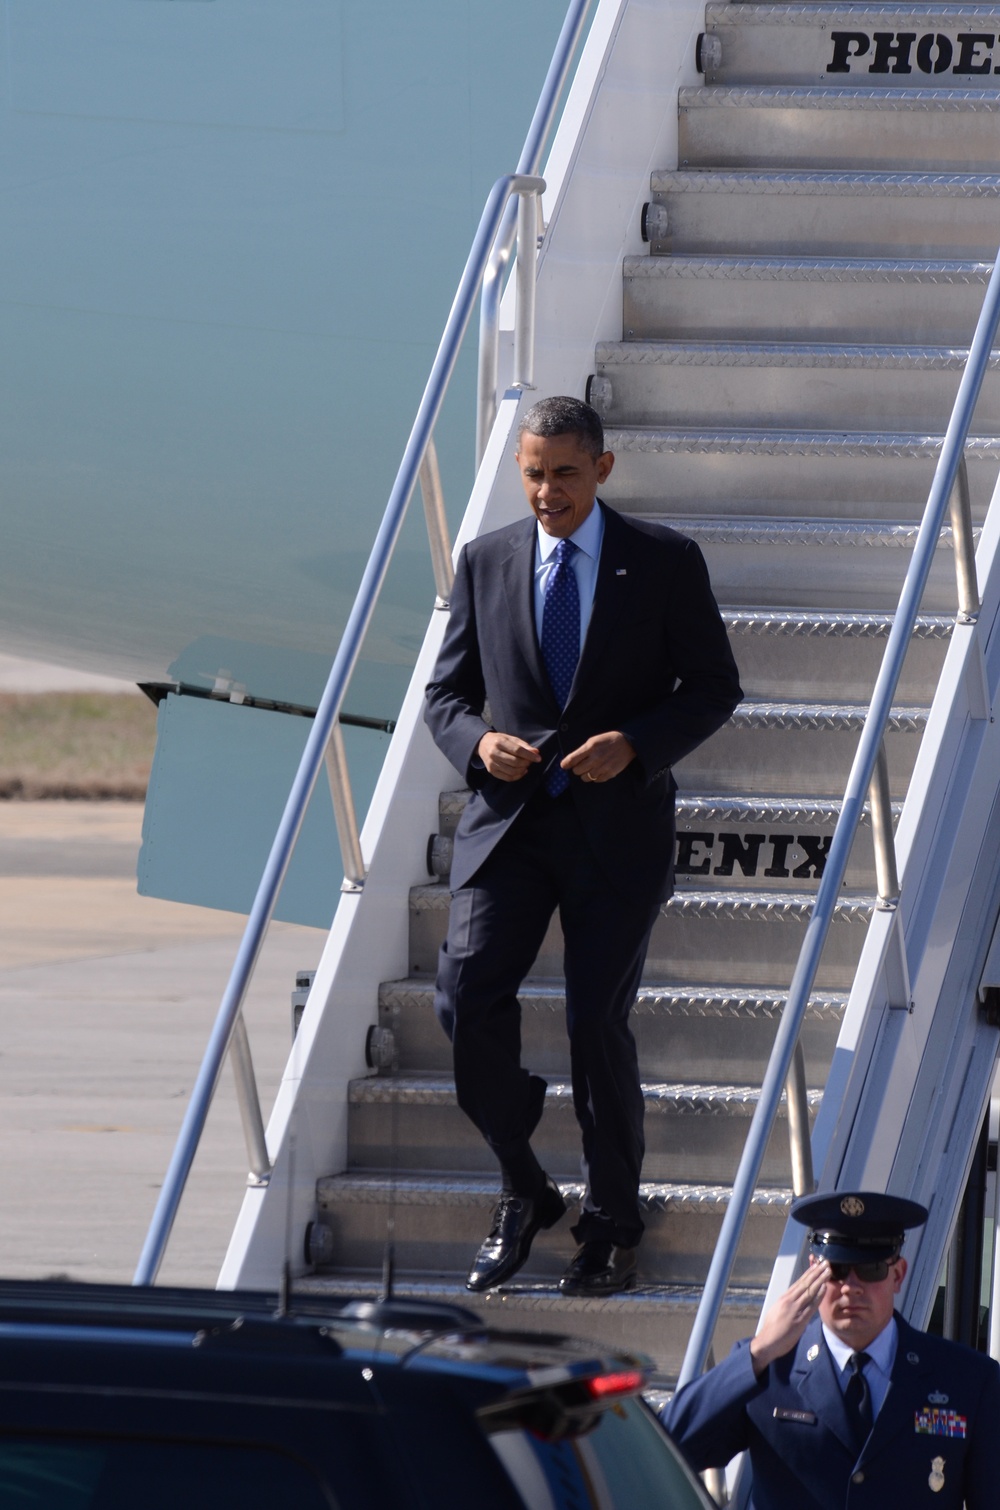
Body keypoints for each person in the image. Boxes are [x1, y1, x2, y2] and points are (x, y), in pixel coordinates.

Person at [423, 394, 741, 1297]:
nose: (546, 491)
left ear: (602, 469)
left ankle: (610, 1224)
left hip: (617, 831)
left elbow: (714, 686)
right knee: (463, 995)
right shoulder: (486, 562)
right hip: (510, 827)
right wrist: (478, 745)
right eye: (533, 473)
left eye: (564, 472)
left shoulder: (666, 561)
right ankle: (525, 1185)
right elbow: (445, 698)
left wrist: (636, 743)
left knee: (595, 1027)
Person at [664, 1190, 1000, 1508]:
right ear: (813, 1272)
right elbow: (668, 1446)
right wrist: (761, 1349)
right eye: (836, 1271)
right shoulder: (769, 1369)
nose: (851, 1288)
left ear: (898, 1275)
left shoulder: (967, 1378)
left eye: (870, 1269)